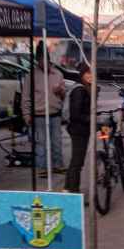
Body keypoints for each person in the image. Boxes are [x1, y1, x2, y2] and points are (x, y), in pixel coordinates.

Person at [23, 41, 65, 177]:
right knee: (41, 143)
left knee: (57, 141)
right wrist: (27, 115)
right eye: (40, 60)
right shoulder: (31, 76)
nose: (43, 63)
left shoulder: (58, 74)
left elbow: (64, 95)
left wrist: (60, 91)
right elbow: (26, 97)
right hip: (39, 115)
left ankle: (58, 165)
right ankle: (42, 168)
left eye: (45, 59)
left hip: (55, 113)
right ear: (37, 61)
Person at [64, 62, 92, 193]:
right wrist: (90, 120)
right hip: (78, 129)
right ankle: (73, 191)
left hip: (80, 128)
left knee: (76, 160)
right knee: (77, 162)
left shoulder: (84, 87)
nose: (91, 75)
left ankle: (68, 188)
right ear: (82, 74)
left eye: (92, 72)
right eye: (88, 73)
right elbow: (76, 114)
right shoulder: (79, 90)